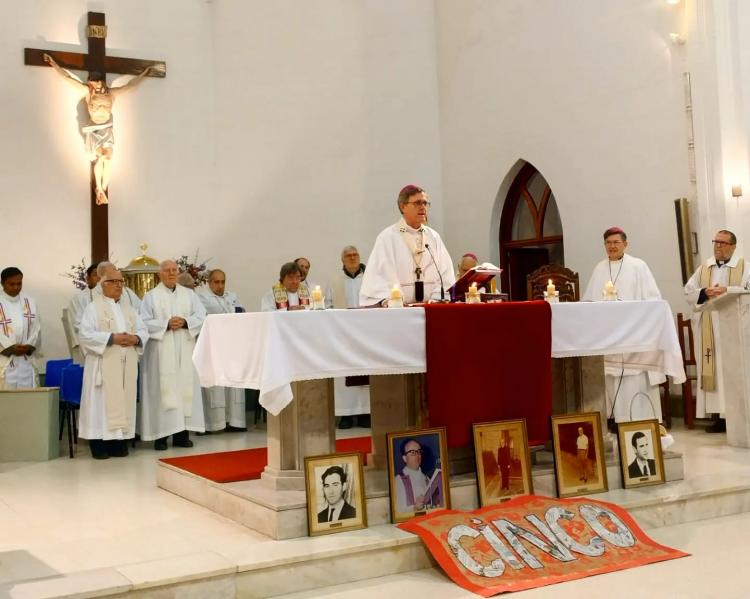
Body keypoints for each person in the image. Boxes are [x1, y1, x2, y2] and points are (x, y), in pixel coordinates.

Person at [43, 53, 164, 205]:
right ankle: (99, 188)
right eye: (91, 83)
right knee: (100, 158)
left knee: (108, 159)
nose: (93, 84)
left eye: (95, 82)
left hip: (107, 130)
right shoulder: (88, 93)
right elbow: (68, 78)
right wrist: (54, 64)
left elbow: (130, 85)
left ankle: (103, 189)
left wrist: (145, 73)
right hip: (95, 130)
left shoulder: (111, 94)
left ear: (100, 81)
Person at [582, 227, 665, 423]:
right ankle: (614, 419)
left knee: (634, 379)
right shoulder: (599, 269)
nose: (612, 246)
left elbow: (653, 299)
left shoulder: (639, 266)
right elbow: (588, 301)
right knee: (609, 378)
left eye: (616, 242)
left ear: (625, 244)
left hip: (633, 335)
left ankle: (640, 420)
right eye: (608, 243)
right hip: (608, 338)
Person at [78, 265, 148, 459]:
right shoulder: (93, 308)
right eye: (113, 281)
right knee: (101, 405)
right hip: (102, 365)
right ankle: (98, 443)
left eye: (121, 282)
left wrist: (135, 339)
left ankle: (119, 441)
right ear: (102, 285)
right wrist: (111, 338)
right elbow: (85, 335)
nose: (118, 285)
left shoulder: (129, 309)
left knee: (122, 401)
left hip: (125, 365)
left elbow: (143, 330)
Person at [685, 229, 750, 433]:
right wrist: (705, 292)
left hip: (733, 326)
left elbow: (748, 290)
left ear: (733, 246)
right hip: (710, 326)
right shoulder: (705, 267)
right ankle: (719, 418)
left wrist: (727, 291)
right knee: (716, 369)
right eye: (716, 242)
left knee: (733, 368)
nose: (718, 246)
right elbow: (688, 290)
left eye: (722, 243)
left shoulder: (744, 266)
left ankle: (737, 416)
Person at [138, 260, 207, 450]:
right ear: (159, 274)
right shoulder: (150, 297)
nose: (171, 273)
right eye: (167, 270)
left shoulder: (190, 295)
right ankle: (161, 436)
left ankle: (181, 435)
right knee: (163, 390)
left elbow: (202, 316)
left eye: (174, 270)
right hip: (161, 352)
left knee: (184, 388)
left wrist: (185, 322)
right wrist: (165, 324)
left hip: (184, 349)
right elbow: (142, 322)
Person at [360, 185, 456, 305]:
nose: (422, 207)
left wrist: (437, 298)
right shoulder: (387, 238)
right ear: (403, 206)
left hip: (431, 310)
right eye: (417, 203)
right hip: (400, 312)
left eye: (425, 203)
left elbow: (446, 273)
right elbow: (379, 278)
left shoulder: (433, 237)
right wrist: (394, 301)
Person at [197, 269, 247, 432]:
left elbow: (241, 312)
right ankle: (215, 423)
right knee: (216, 383)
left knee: (233, 382)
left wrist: (232, 314)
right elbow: (210, 316)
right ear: (209, 282)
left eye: (223, 282)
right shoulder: (201, 297)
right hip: (213, 346)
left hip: (232, 345)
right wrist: (232, 314)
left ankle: (235, 421)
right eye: (216, 282)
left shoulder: (231, 295)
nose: (220, 286)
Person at [332, 246, 371, 430]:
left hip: (366, 334)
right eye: (348, 255)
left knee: (366, 374)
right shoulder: (334, 282)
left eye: (355, 254)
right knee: (344, 376)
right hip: (344, 335)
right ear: (343, 260)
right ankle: (346, 415)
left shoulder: (370, 278)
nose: (353, 258)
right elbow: (327, 305)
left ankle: (365, 413)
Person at [0, 267, 41, 389]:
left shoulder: (30, 302)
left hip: (26, 360)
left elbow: (36, 327)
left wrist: (28, 345)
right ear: (2, 283)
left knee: (26, 399)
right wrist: (9, 347)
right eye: (11, 284)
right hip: (4, 361)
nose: (16, 287)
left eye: (19, 284)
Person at [394, 438, 442, 513]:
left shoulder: (426, 479)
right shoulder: (398, 480)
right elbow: (397, 511)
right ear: (404, 458)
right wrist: (414, 508)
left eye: (419, 452)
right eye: (413, 452)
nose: (418, 455)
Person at [65, 262, 100, 364]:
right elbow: (78, 325)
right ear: (87, 279)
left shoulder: (110, 298)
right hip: (86, 348)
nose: (99, 278)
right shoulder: (79, 298)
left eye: (101, 275)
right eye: (95, 275)